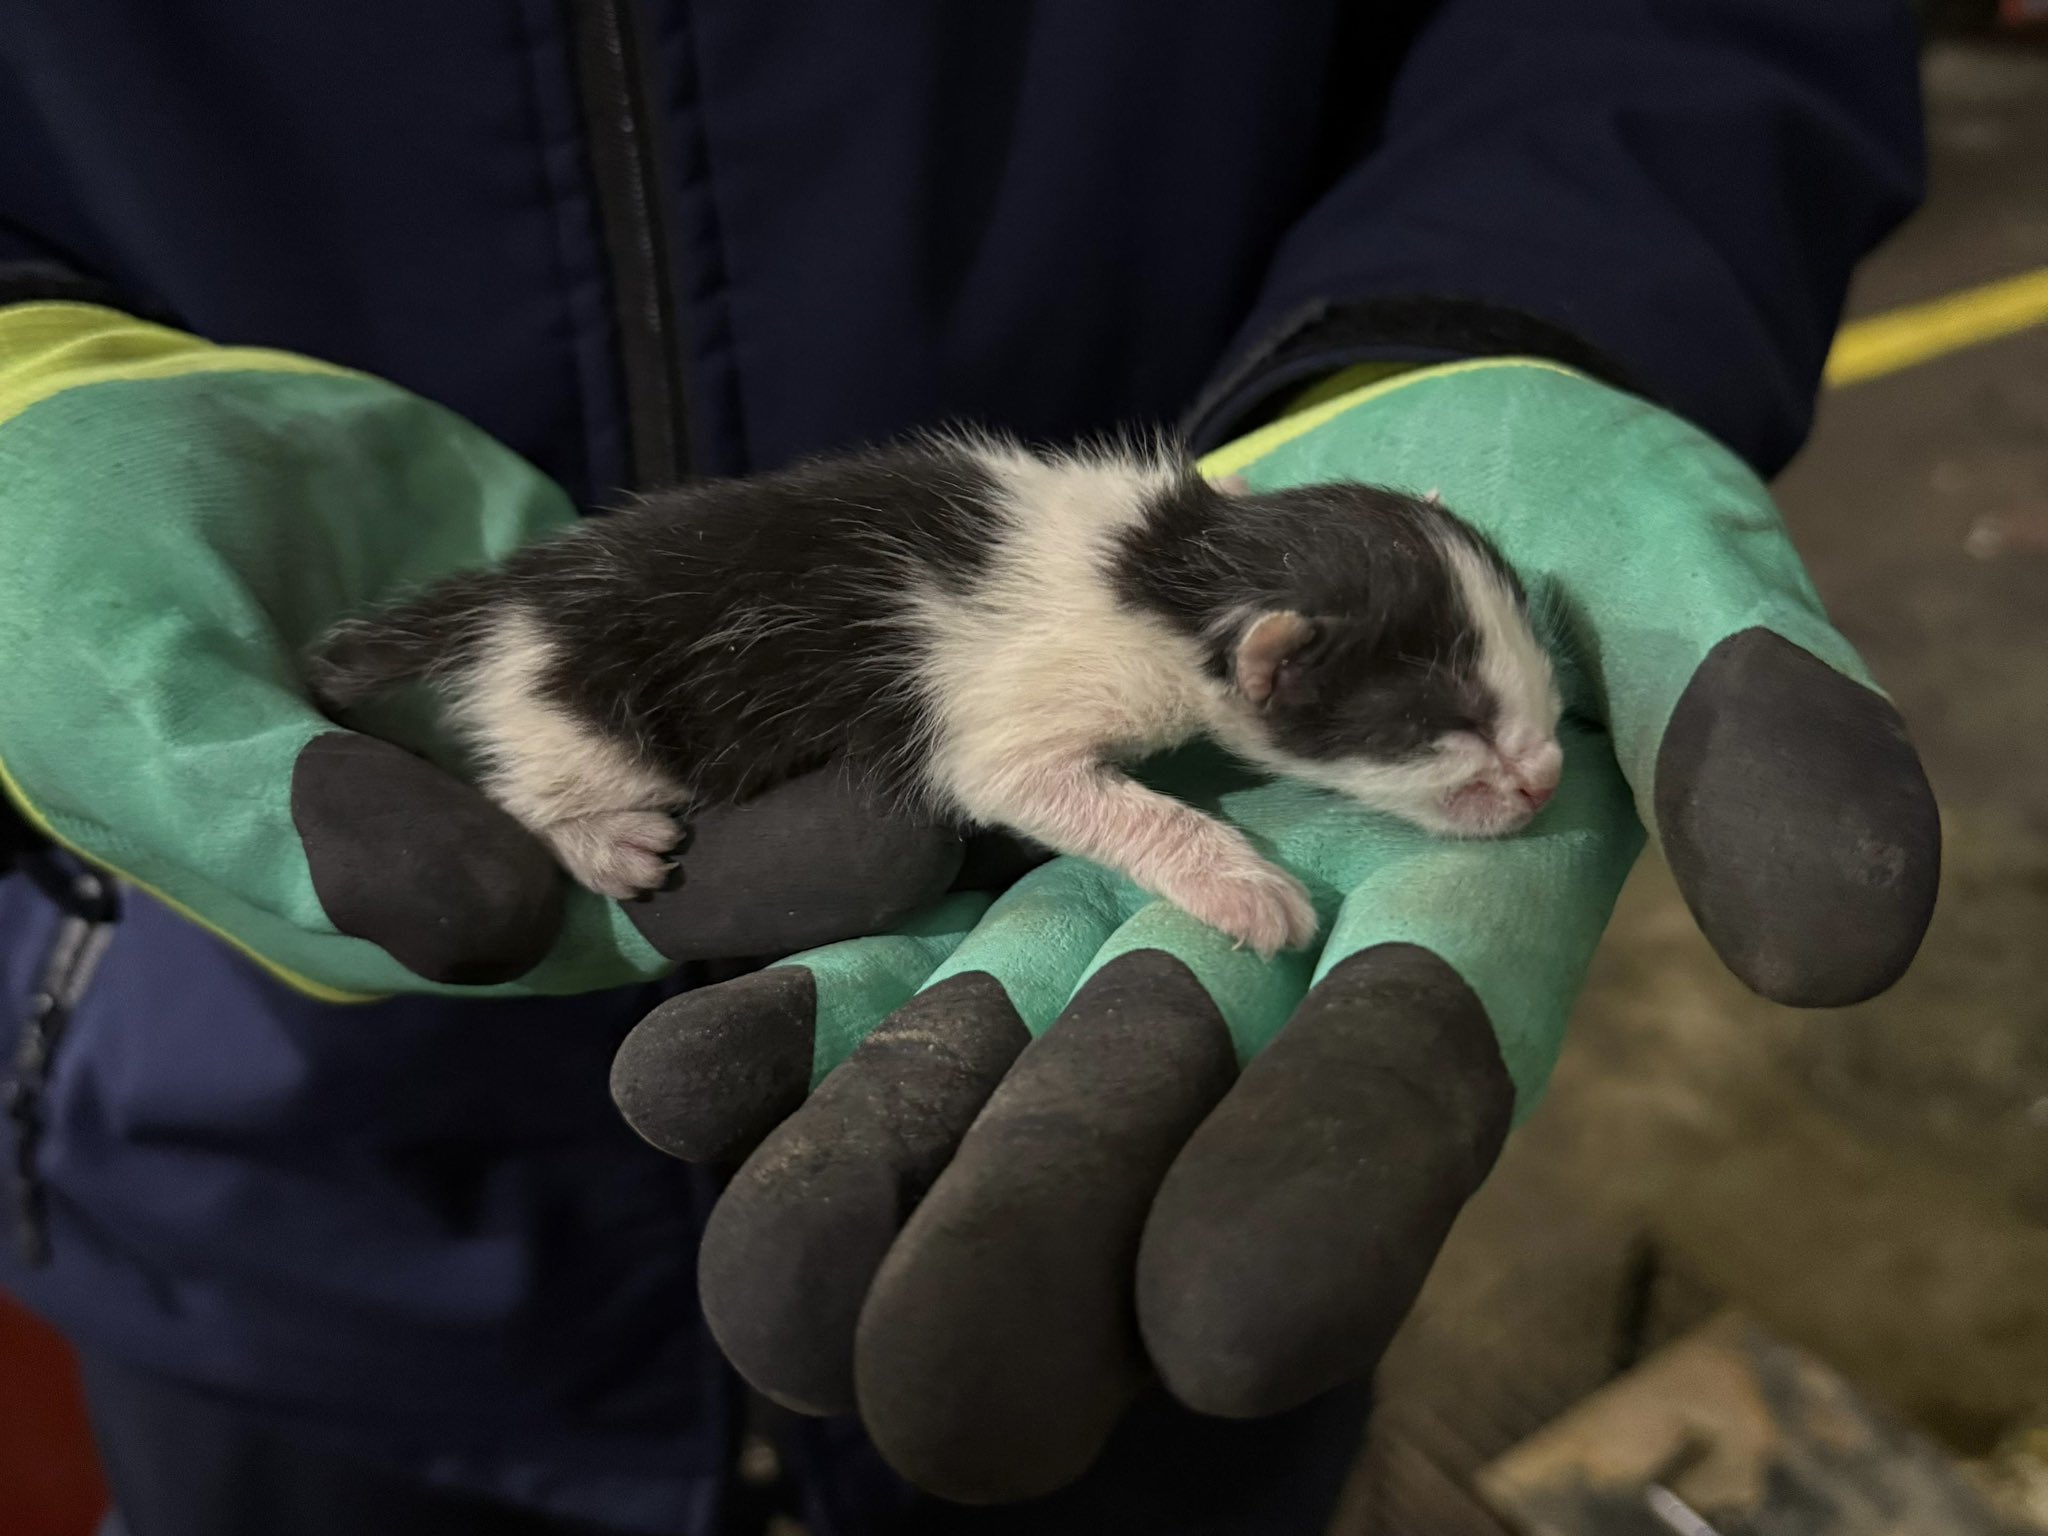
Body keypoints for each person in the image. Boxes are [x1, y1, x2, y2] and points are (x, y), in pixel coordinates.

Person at [0, 4, 1939, 1533]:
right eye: (1463, 738)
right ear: (1265, 672)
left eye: (1507, 724)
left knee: (1166, 1346)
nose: (1519, 779)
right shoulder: (1100, 633)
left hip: (1106, 1305)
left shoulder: (1200, 577)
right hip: (302, 1253)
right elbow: (1018, 758)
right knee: (561, 688)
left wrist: (1500, 316)